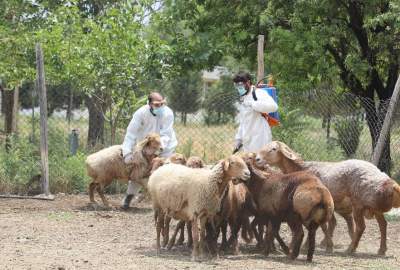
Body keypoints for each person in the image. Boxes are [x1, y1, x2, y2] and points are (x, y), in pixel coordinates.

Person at [121, 92, 177, 209]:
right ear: (149, 103)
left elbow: (166, 134)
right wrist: (127, 152)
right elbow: (131, 133)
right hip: (144, 148)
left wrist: (157, 151)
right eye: (157, 105)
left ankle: (164, 203)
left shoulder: (168, 113)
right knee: (139, 171)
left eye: (162, 104)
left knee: (164, 173)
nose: (160, 107)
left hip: (165, 148)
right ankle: (129, 197)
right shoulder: (140, 113)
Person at [232, 72, 278, 153]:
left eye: (240, 85)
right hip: (247, 140)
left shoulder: (259, 93)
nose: (239, 88)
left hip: (260, 137)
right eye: (236, 85)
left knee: (261, 163)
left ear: (248, 82)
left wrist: (253, 104)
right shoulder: (244, 98)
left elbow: (274, 107)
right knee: (250, 164)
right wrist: (238, 138)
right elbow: (244, 121)